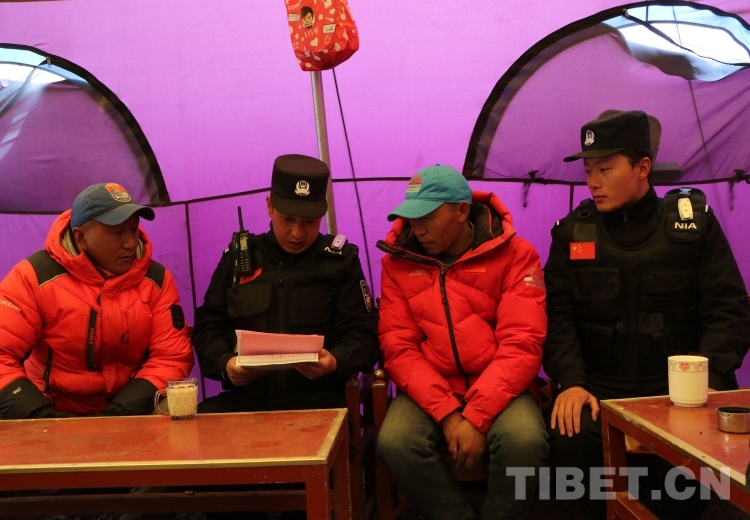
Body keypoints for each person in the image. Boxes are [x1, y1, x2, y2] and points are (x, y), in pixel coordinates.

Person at [543, 110, 750, 519]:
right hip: (598, 389)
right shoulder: (572, 232)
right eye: (587, 170)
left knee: (686, 480)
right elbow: (557, 315)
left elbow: (729, 310)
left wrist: (707, 380)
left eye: (605, 169)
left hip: (680, 391)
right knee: (571, 434)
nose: (593, 182)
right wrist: (570, 380)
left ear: (642, 167)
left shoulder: (693, 227)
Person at [375, 164, 549, 520]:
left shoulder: (517, 254)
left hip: (501, 383)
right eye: (411, 218)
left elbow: (522, 343)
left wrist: (477, 416)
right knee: (395, 443)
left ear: (462, 210)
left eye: (427, 217)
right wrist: (449, 414)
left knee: (525, 442)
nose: (418, 229)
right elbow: (398, 347)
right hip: (430, 384)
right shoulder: (396, 264)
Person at [193, 153, 379, 415]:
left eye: (309, 222)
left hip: (318, 401)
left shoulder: (341, 262)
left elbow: (364, 334)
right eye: (288, 219)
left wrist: (335, 361)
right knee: (194, 433)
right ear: (269, 206)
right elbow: (207, 327)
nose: (297, 233)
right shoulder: (238, 259)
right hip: (246, 401)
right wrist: (226, 364)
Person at [0, 183, 194, 419]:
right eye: (117, 233)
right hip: (52, 412)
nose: (131, 243)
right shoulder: (34, 277)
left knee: (174, 410)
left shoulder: (157, 279)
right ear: (81, 237)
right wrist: (40, 418)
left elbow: (171, 356)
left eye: (134, 229)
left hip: (131, 409)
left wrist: (123, 410)